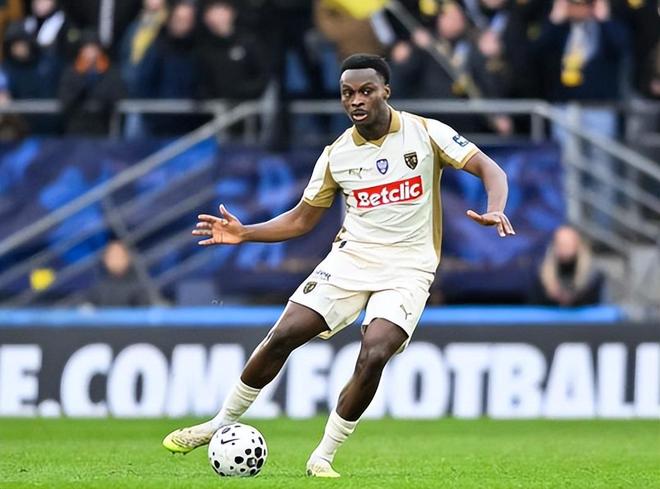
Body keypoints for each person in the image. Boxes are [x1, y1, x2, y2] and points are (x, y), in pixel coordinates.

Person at [162, 53, 515, 477]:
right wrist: (245, 233)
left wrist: (496, 207)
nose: (356, 100)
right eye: (347, 93)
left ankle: (323, 456)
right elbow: (302, 219)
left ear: (386, 91)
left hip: (409, 269)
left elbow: (489, 168)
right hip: (351, 260)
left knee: (375, 352)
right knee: (283, 335)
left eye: (366, 91)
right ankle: (219, 423)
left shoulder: (426, 132)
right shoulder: (337, 155)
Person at [58, 31, 125, 135]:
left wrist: (98, 100)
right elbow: (65, 99)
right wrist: (83, 82)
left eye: (94, 48)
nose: (91, 53)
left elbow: (117, 95)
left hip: (102, 128)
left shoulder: (110, 71)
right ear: (81, 50)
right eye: (87, 48)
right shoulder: (72, 72)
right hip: (75, 127)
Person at [530, 225, 605, 306]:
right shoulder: (541, 271)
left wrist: (573, 297)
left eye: (567, 244)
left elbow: (595, 304)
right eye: (560, 244)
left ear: (577, 244)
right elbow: (535, 304)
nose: (563, 248)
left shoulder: (593, 274)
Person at [84, 240, 151, 307]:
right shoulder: (100, 286)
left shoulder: (140, 285)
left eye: (118, 255)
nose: (115, 260)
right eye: (111, 256)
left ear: (127, 257)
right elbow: (86, 302)